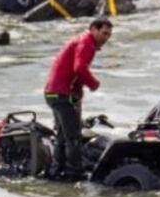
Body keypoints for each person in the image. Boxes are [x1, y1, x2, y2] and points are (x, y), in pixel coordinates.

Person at [43, 17, 113, 177]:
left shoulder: (80, 41)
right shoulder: (87, 43)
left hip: (52, 93)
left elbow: (74, 74)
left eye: (109, 35)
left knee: (62, 136)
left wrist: (78, 96)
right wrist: (94, 84)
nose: (106, 38)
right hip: (62, 95)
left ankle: (56, 172)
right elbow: (80, 68)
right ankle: (75, 173)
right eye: (104, 33)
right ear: (93, 29)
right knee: (74, 137)